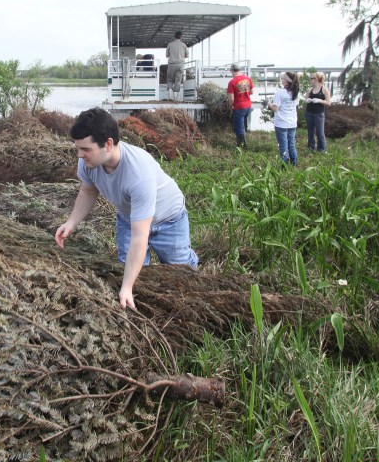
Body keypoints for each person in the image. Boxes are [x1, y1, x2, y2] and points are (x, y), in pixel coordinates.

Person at [55, 108, 199, 309]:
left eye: (86, 149)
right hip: (129, 216)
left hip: (169, 219)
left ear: (108, 144)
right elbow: (88, 192)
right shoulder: (88, 163)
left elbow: (140, 237)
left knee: (179, 268)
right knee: (129, 268)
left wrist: (126, 286)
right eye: (78, 148)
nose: (80, 155)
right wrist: (71, 223)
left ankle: (190, 258)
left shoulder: (139, 173)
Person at [269, 71, 300, 166]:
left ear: (287, 81)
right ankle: (294, 164)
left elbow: (275, 108)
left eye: (282, 78)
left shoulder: (280, 92)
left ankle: (285, 165)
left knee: (283, 146)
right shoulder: (296, 92)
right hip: (292, 123)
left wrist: (268, 103)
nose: (281, 80)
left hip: (281, 123)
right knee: (291, 144)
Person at [226, 63, 254, 147]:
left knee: (238, 128)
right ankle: (243, 143)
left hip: (239, 108)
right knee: (241, 125)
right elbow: (252, 92)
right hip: (248, 106)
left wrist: (230, 106)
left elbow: (231, 99)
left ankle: (242, 146)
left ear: (231, 70)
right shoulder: (248, 79)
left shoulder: (232, 82)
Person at [305, 72, 331, 152]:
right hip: (309, 112)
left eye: (313, 78)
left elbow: (328, 102)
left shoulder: (324, 90)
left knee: (320, 132)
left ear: (318, 79)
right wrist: (308, 100)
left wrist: (320, 101)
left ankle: (322, 150)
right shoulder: (310, 90)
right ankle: (311, 147)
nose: (311, 80)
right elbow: (306, 99)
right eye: (311, 78)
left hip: (319, 114)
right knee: (310, 131)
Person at [165, 31, 188, 97]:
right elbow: (186, 56)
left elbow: (167, 55)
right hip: (180, 64)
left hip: (171, 64)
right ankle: (175, 97)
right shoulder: (184, 45)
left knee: (169, 80)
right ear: (181, 37)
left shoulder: (170, 44)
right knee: (178, 81)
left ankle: (170, 95)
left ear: (174, 36)